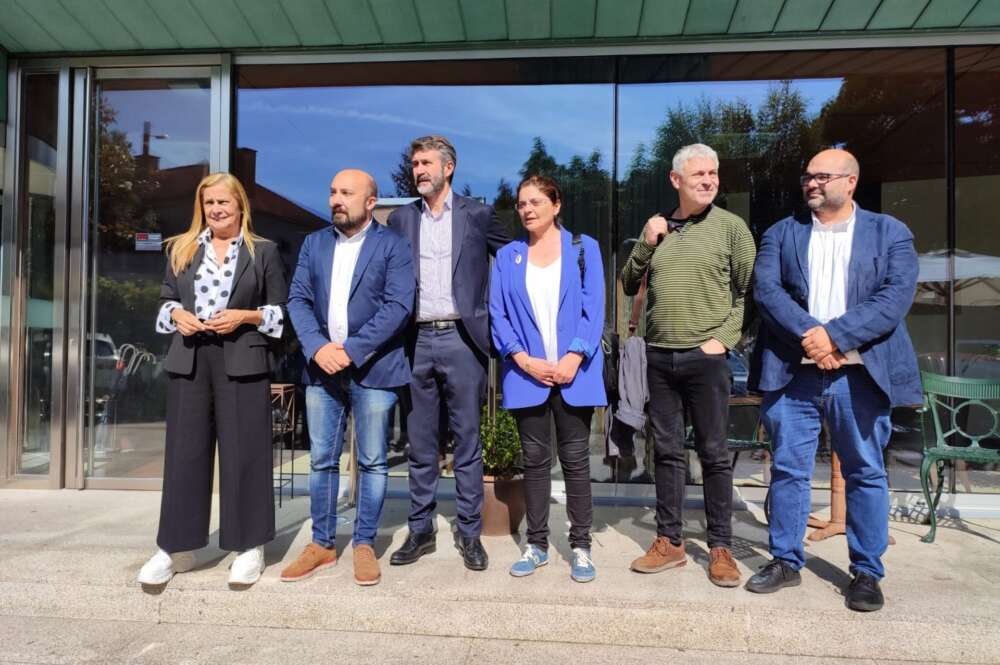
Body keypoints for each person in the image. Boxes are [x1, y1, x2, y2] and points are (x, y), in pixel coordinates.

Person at [746, 149, 920, 612]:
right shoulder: (782, 233)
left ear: (851, 181)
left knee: (865, 471)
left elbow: (894, 298)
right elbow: (767, 291)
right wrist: (814, 340)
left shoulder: (890, 233)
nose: (811, 184)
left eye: (821, 176)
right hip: (793, 376)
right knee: (788, 470)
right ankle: (785, 560)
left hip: (860, 376)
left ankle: (866, 571)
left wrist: (836, 337)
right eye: (807, 177)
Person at [137, 172, 286, 588]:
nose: (216, 210)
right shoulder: (181, 249)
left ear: (240, 205)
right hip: (190, 359)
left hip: (243, 359)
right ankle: (175, 548)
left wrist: (246, 315)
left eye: (224, 202)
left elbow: (280, 313)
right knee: (185, 456)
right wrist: (177, 315)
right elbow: (167, 300)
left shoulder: (264, 252)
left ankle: (249, 547)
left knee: (246, 455)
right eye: (209, 204)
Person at [620, 143, 756, 587]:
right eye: (699, 174)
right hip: (660, 355)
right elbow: (626, 283)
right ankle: (670, 542)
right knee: (667, 453)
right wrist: (647, 240)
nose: (709, 180)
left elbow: (746, 292)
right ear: (675, 179)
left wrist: (724, 340)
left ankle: (720, 547)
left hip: (707, 357)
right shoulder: (659, 227)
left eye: (713, 173)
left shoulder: (731, 229)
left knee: (715, 454)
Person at [281, 169, 415, 586]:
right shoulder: (314, 243)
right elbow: (297, 299)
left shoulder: (393, 246)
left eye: (346, 193)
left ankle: (363, 543)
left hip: (375, 368)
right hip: (321, 369)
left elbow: (398, 307)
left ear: (371, 202)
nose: (336, 199)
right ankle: (321, 543)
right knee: (322, 459)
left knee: (373, 461)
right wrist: (318, 347)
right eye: (333, 191)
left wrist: (351, 350)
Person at [387, 136, 511, 571]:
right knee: (419, 442)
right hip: (415, 340)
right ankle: (420, 530)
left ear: (448, 167)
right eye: (415, 163)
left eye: (426, 163)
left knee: (467, 441)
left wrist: (500, 321)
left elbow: (515, 260)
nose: (419, 170)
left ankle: (469, 532)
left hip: (463, 338)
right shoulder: (401, 219)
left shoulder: (477, 215)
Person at [489, 175, 606, 583]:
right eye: (521, 203)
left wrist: (575, 356)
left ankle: (581, 546)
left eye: (536, 201)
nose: (527, 209)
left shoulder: (583, 249)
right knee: (534, 462)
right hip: (528, 375)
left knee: (575, 461)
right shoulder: (508, 256)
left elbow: (595, 309)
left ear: (557, 205)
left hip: (576, 373)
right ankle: (536, 544)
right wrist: (523, 360)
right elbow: (498, 315)